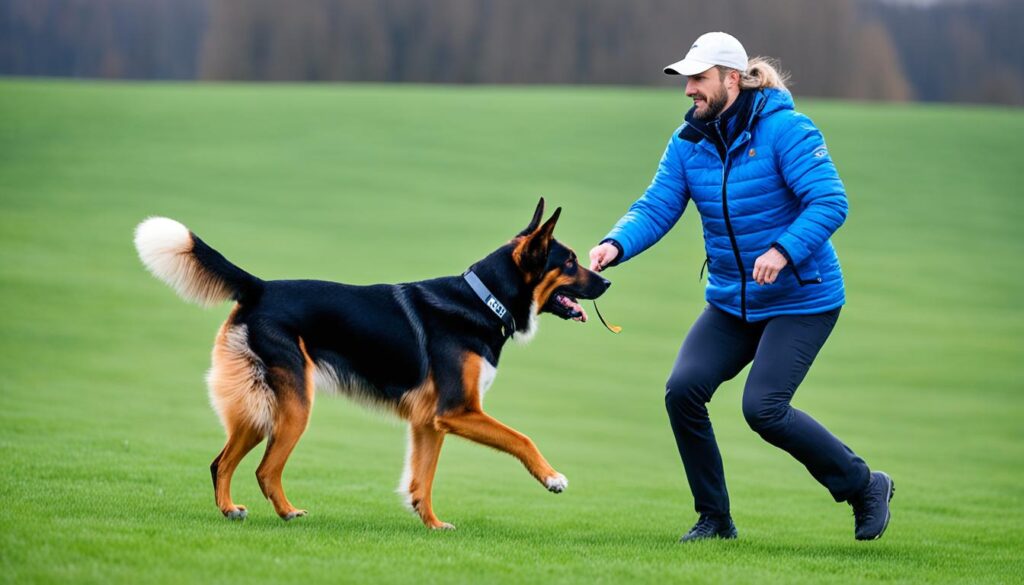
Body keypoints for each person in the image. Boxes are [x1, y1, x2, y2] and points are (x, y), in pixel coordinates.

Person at [589, 32, 893, 542]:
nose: (689, 90)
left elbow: (830, 201)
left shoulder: (787, 130)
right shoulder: (688, 141)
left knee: (763, 409)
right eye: (687, 79)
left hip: (802, 297)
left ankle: (864, 485)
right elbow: (657, 205)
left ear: (733, 79)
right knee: (683, 391)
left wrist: (782, 250)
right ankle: (715, 519)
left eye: (699, 79)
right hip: (733, 301)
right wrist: (614, 245)